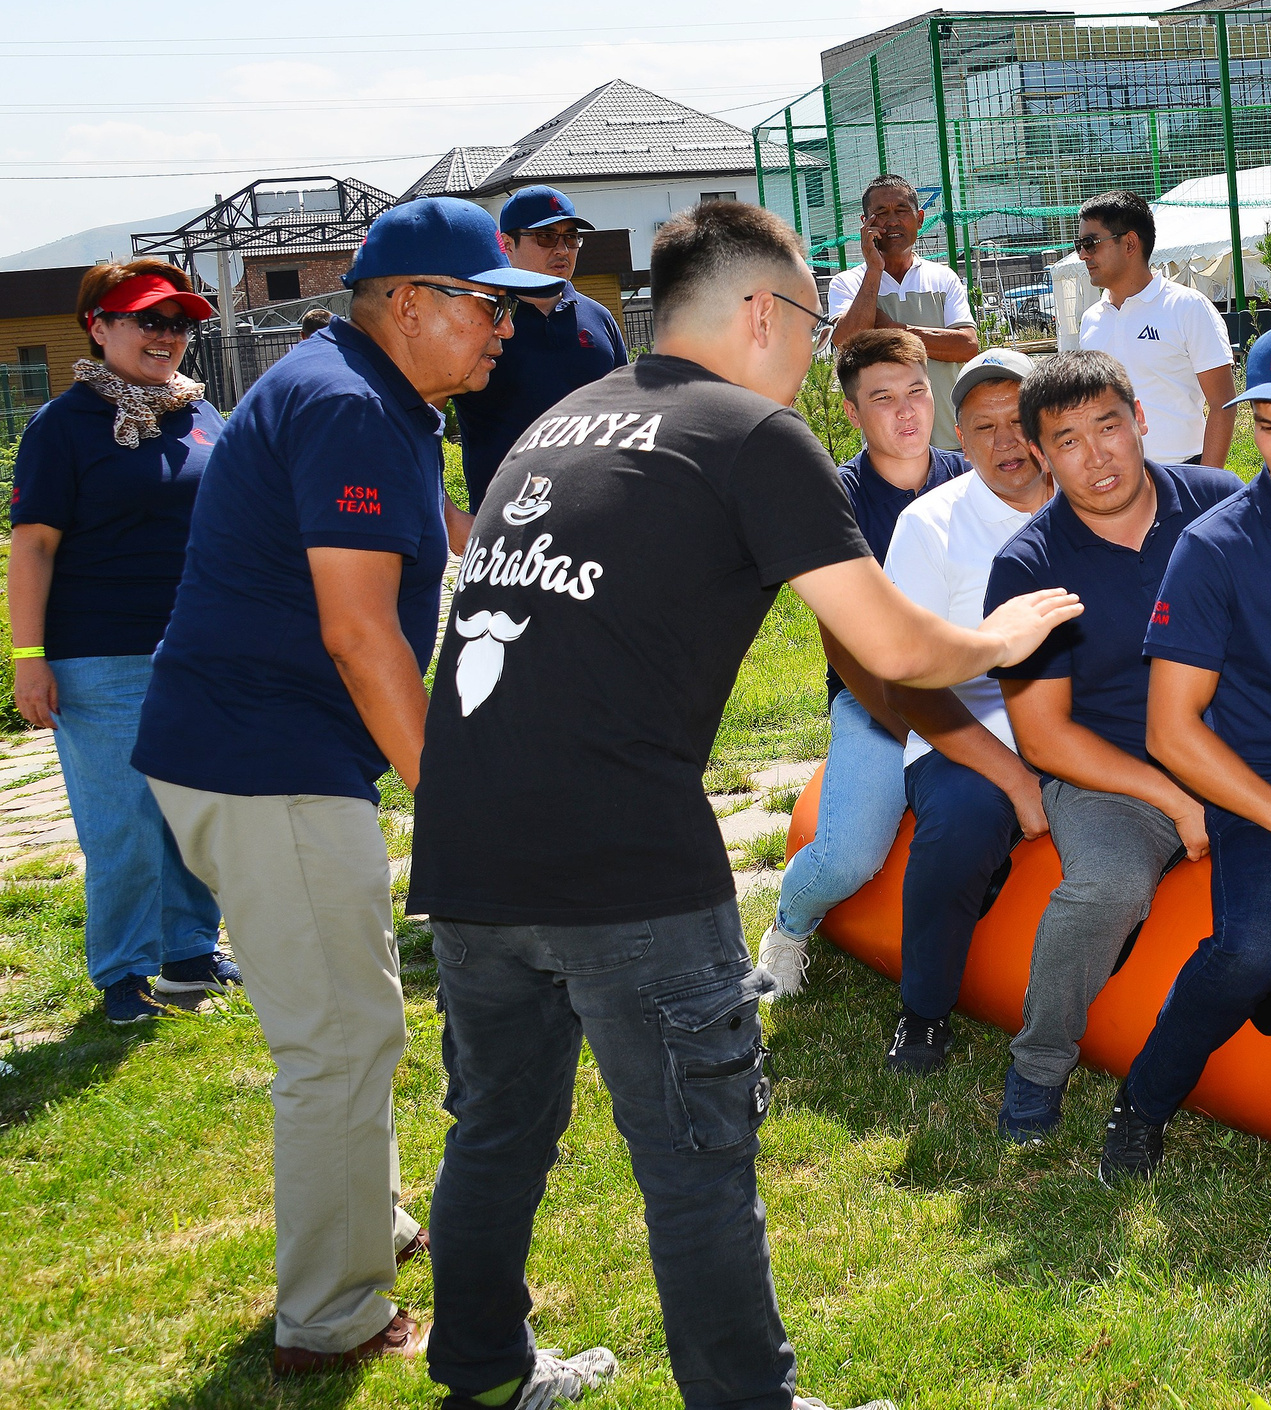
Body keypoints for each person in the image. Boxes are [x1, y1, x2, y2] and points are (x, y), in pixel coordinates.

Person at [405, 200, 1080, 1410]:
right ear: (761, 311)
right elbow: (887, 641)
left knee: (496, 1134)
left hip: (467, 851)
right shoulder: (749, 434)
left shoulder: (555, 422)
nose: (815, 359)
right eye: (815, 327)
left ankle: (482, 1376)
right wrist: (1000, 629)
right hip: (622, 868)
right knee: (696, 1162)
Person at [129, 197, 552, 1375]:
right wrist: (456, 809)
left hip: (258, 746)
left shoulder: (370, 393)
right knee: (338, 1040)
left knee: (348, 1019)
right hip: (266, 758)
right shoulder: (354, 405)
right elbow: (364, 637)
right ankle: (330, 1312)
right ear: (408, 303)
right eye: (487, 306)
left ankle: (369, 1221)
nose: (504, 331)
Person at [1100, 320, 1271, 1183]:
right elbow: (1170, 731)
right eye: (1266, 427)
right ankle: (1143, 1101)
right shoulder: (1217, 544)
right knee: (1255, 948)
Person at [982, 351, 1243, 1142]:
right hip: (1111, 774)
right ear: (1039, 455)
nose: (1096, 456)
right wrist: (1173, 798)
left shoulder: (1221, 505)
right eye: (1067, 441)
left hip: (1242, 753)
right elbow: (1043, 735)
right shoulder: (1028, 565)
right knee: (1106, 889)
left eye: (1107, 426)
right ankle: (1038, 1064)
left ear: (1140, 420)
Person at [8, 260, 228, 1024]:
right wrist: (27, 658)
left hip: (198, 651)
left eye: (179, 323)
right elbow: (32, 547)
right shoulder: (61, 428)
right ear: (99, 328)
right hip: (100, 658)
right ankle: (125, 974)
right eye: (148, 320)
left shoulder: (202, 416)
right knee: (125, 821)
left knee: (193, 809)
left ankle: (192, 951)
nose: (168, 336)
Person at [757, 328, 967, 993]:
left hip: (975, 686)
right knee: (848, 856)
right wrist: (917, 731)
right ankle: (788, 924)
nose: (908, 412)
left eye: (916, 392)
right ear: (852, 412)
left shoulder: (972, 480)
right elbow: (843, 647)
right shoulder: (835, 498)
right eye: (883, 399)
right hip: (877, 697)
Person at [869, 347, 1055, 1072]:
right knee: (968, 818)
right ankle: (923, 1010)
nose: (1007, 442)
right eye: (985, 428)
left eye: (1020, 422)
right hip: (964, 736)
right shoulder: (930, 525)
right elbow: (909, 686)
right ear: (960, 438)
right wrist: (1014, 779)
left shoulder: (1093, 500)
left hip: (1082, 730)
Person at [448, 186, 630, 508]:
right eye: (546, 236)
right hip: (506, 522)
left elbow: (627, 418)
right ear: (506, 244)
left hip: (597, 514)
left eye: (571, 238)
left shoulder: (600, 319)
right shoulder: (480, 321)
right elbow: (422, 419)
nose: (562, 249)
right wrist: (447, 514)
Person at [1073, 191, 1237, 466]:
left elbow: (1223, 404)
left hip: (1182, 473)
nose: (1082, 255)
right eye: (1079, 244)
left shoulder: (1187, 307)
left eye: (1090, 243)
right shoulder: (1091, 320)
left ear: (1130, 244)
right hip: (1113, 478)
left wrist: (1207, 483)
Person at [825, 174, 979, 448]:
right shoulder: (848, 283)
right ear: (865, 224)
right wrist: (874, 270)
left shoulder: (943, 278)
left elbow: (966, 346)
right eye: (880, 213)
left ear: (919, 219)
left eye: (901, 210)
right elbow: (846, 342)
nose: (892, 221)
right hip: (886, 451)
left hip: (950, 444)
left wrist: (890, 330)